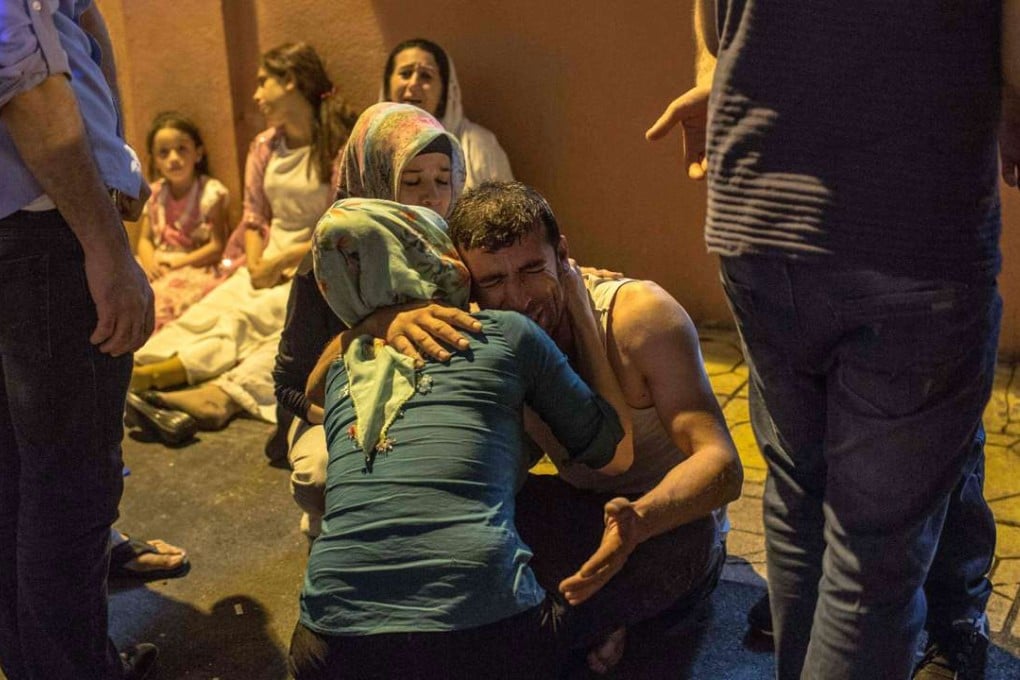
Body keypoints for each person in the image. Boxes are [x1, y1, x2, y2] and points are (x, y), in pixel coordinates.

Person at [644, 2, 1020, 678]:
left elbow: (713, 29)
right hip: (909, 225)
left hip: (756, 216)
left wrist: (716, 71)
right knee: (870, 561)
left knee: (799, 504)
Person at [364, 180, 743, 673]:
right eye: (494, 280)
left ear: (562, 255)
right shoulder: (482, 331)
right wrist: (379, 324)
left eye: (531, 270)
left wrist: (639, 522)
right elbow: (315, 386)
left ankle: (585, 622)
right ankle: (594, 620)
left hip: (664, 524)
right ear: (469, 285)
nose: (519, 298)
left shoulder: (637, 317)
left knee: (688, 540)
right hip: (584, 515)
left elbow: (722, 465)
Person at [288, 198, 632, 679]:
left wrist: (367, 326)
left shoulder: (342, 366)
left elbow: (309, 389)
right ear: (442, 260)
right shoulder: (506, 333)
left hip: (325, 649)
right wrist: (579, 308)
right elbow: (612, 455)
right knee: (626, 537)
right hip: (485, 641)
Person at [0, 1, 158, 678]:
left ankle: (41, 660)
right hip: (46, 229)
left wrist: (115, 160)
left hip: (27, 227)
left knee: (18, 477)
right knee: (70, 486)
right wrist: (105, 244)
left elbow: (80, 22)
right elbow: (22, 76)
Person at [130, 42, 356, 431]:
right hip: (263, 258)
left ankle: (161, 379)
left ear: (290, 81)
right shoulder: (265, 146)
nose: (256, 95)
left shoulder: (339, 146)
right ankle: (140, 370)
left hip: (313, 264)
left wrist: (280, 263)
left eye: (264, 82)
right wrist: (254, 263)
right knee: (211, 309)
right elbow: (255, 215)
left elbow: (342, 222)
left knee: (249, 320)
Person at [274, 101, 469, 539]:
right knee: (323, 476)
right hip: (337, 407)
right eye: (411, 181)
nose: (432, 197)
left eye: (443, 180)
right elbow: (288, 385)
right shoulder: (331, 259)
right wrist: (354, 416)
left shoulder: (458, 251)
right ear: (375, 178)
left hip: (434, 400)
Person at [136, 111, 229, 331]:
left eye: (181, 149)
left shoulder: (210, 193)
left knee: (170, 303)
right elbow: (145, 239)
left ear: (198, 153)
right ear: (155, 161)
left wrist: (177, 265)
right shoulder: (154, 194)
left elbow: (217, 246)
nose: (173, 158)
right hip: (158, 264)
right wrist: (150, 264)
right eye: (164, 152)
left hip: (192, 265)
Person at [382, 38, 513, 189]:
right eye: (405, 74)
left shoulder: (477, 146)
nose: (413, 84)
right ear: (387, 87)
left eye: (426, 76)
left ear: (445, 92)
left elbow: (506, 203)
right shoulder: (370, 147)